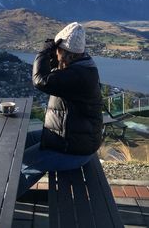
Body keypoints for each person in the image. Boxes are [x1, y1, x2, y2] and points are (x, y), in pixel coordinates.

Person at [17, 22, 103, 198]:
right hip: (69, 140)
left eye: (57, 50)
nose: (54, 53)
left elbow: (40, 80)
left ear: (65, 53)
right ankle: (16, 189)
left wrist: (43, 51)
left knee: (23, 166)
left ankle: (1, 202)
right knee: (15, 143)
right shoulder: (82, 67)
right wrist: (53, 53)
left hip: (74, 150)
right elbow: (52, 76)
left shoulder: (78, 76)